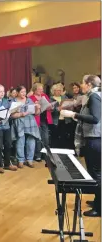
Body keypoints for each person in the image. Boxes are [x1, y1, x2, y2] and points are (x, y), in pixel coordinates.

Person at [61, 75, 101, 217]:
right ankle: (98, 200)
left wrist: (74, 114)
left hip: (95, 139)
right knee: (96, 172)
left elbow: (95, 119)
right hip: (95, 138)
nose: (82, 85)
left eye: (83, 83)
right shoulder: (94, 95)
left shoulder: (94, 97)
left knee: (96, 173)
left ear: (89, 84)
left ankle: (99, 207)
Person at [0, 85, 18, 173]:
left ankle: (7, 164)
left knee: (8, 145)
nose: (2, 93)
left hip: (6, 126)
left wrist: (14, 109)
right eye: (0, 91)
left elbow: (10, 112)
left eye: (3, 91)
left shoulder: (6, 101)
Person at [10, 86, 41, 168]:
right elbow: (11, 115)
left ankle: (30, 160)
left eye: (25, 92)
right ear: (17, 93)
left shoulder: (29, 100)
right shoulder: (13, 101)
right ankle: (20, 160)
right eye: (22, 92)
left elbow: (36, 113)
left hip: (30, 122)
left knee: (31, 141)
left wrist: (38, 108)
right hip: (19, 122)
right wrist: (21, 114)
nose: (24, 93)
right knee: (20, 141)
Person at [29, 83, 53, 161]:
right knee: (38, 138)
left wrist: (50, 106)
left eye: (42, 89)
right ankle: (38, 155)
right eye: (39, 89)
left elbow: (49, 106)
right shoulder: (31, 97)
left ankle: (46, 154)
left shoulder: (45, 96)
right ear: (35, 90)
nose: (41, 90)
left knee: (46, 137)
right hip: (36, 119)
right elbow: (30, 109)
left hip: (45, 119)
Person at [50, 83, 72, 148]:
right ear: (53, 91)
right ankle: (55, 151)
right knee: (55, 136)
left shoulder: (64, 97)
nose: (59, 91)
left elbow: (70, 104)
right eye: (57, 90)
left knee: (64, 136)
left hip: (65, 120)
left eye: (60, 90)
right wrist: (57, 109)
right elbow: (49, 110)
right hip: (55, 120)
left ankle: (63, 150)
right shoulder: (50, 99)